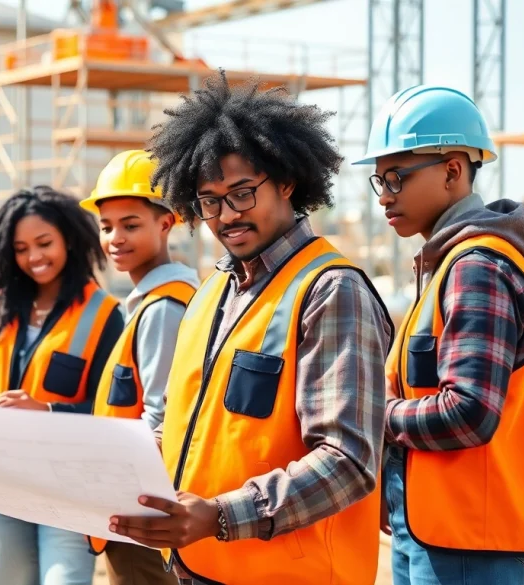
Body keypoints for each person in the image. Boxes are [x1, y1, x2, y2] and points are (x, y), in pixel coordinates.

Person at [108, 71, 394, 585]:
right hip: (202, 565)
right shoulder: (214, 291)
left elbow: (348, 461)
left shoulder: (331, 291)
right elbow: (186, 424)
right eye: (209, 201)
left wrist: (219, 517)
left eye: (242, 193)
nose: (226, 217)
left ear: (286, 181)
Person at [356, 85, 524, 585]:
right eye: (377, 181)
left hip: (470, 539)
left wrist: (368, 413)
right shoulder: (447, 265)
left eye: (396, 177)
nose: (384, 194)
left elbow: (468, 413)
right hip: (437, 527)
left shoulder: (477, 268)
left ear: (452, 170)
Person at [0, 186, 125, 585]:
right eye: (21, 248)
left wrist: (46, 412)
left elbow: (112, 411)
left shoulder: (106, 315)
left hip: (69, 485)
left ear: (68, 239)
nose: (34, 258)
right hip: (1, 480)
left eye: (44, 243)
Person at [78, 150, 199, 585]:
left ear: (165, 224)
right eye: (107, 227)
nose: (115, 239)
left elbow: (160, 418)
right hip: (141, 501)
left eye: (131, 225)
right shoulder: (159, 299)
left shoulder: (163, 305)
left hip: (141, 507)